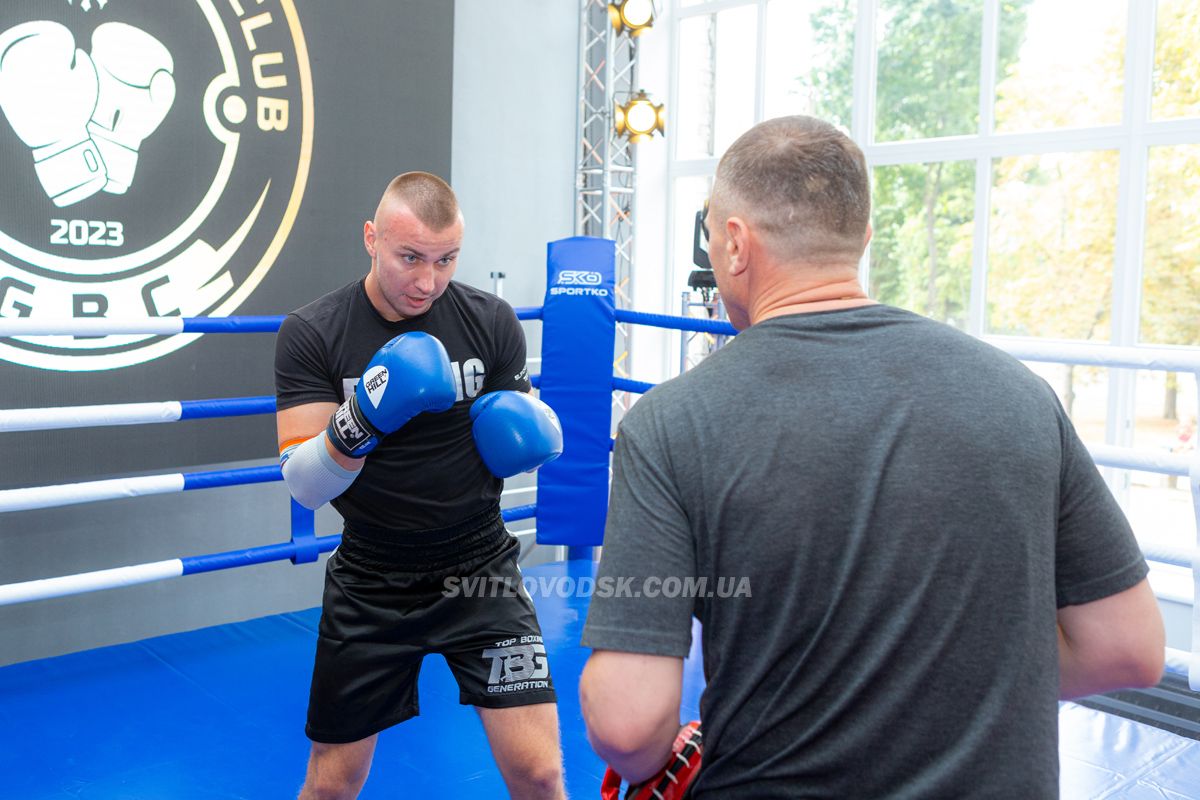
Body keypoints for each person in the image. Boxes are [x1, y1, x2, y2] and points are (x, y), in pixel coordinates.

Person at [578, 116, 1165, 798]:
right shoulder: (1021, 395)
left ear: (734, 244)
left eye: (710, 236)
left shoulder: (673, 423)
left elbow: (627, 724)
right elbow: (1128, 647)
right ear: (860, 237)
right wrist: (945, 679)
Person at [274, 172, 566, 800]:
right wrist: (359, 422)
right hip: (372, 575)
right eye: (410, 257)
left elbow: (528, 428)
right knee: (332, 784)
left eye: (446, 259)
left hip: (481, 566)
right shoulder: (313, 332)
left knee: (540, 774)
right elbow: (302, 485)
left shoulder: (491, 321)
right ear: (371, 239)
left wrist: (539, 428)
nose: (428, 280)